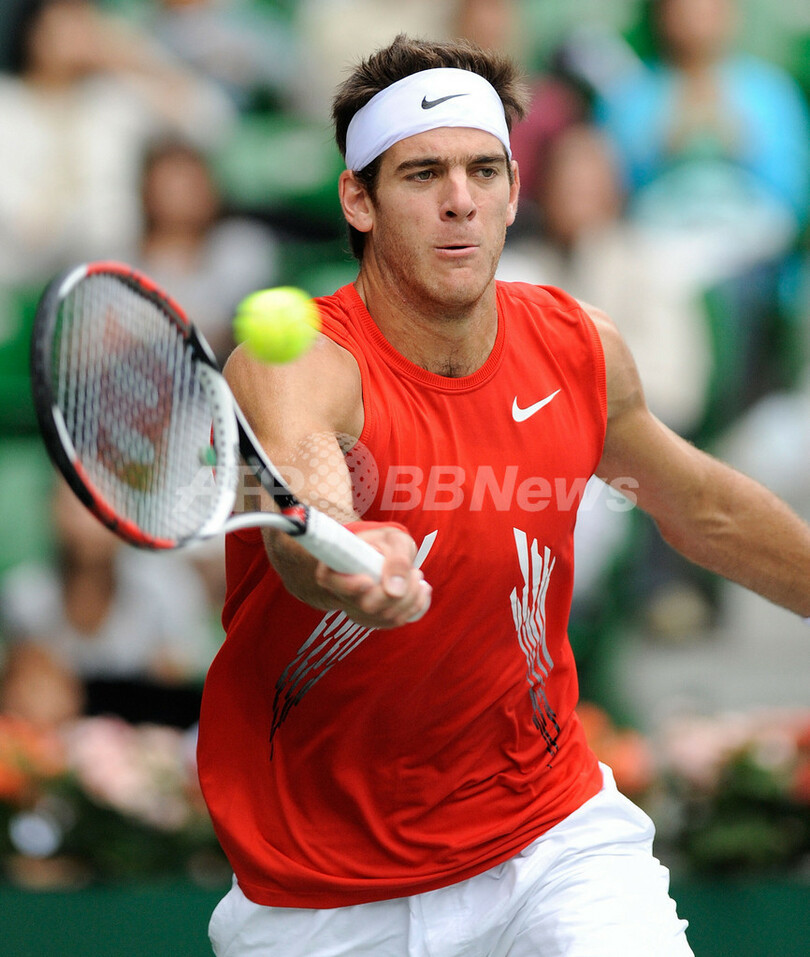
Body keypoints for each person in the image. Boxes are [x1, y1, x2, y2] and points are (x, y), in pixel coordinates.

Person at [196, 34, 810, 956]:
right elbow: (303, 529)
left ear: (516, 191)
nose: (461, 199)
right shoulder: (294, 363)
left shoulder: (578, 346)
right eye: (422, 174)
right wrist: (353, 557)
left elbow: (704, 509)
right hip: (323, 886)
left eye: (484, 170)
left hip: (550, 837)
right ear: (358, 199)